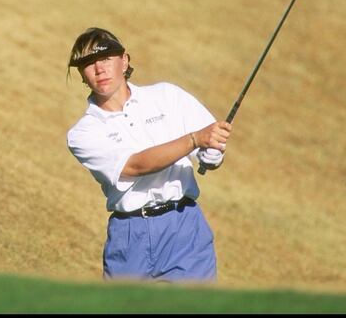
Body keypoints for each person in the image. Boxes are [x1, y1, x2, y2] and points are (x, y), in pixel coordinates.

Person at [66, 27, 232, 282]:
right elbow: (134, 165)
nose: (99, 69)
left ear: (124, 61)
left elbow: (211, 147)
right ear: (82, 74)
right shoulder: (83, 133)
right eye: (89, 64)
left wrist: (212, 153)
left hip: (184, 226)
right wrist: (195, 139)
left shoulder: (167, 96)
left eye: (106, 59)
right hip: (130, 235)